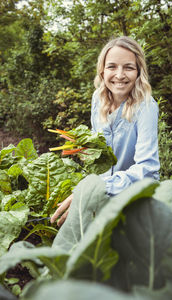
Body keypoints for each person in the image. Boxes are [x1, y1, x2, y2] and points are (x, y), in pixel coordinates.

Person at [51, 36, 160, 226]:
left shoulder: (146, 106)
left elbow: (147, 170)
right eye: (112, 66)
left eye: (128, 67)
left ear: (139, 71)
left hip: (135, 201)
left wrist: (93, 189)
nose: (120, 75)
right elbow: (97, 153)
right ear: (102, 70)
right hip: (101, 199)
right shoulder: (98, 98)